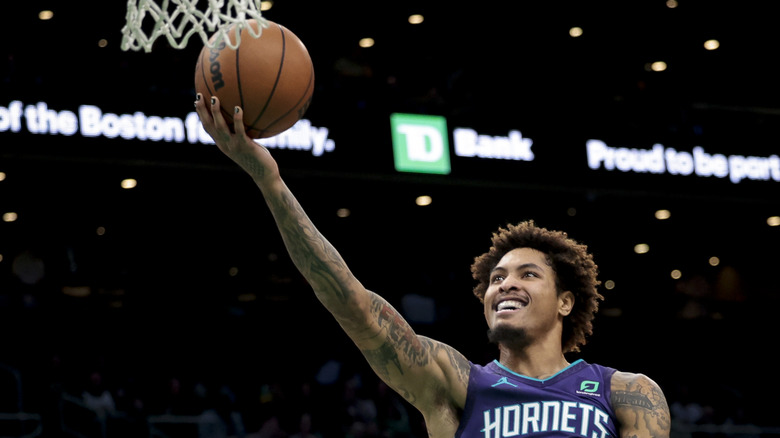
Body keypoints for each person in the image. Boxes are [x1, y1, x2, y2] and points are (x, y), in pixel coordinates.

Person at [194, 94, 672, 438]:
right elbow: (354, 306)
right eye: (497, 278)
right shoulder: (457, 383)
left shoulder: (626, 392)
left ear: (566, 301)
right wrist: (271, 183)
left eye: (528, 274)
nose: (505, 284)